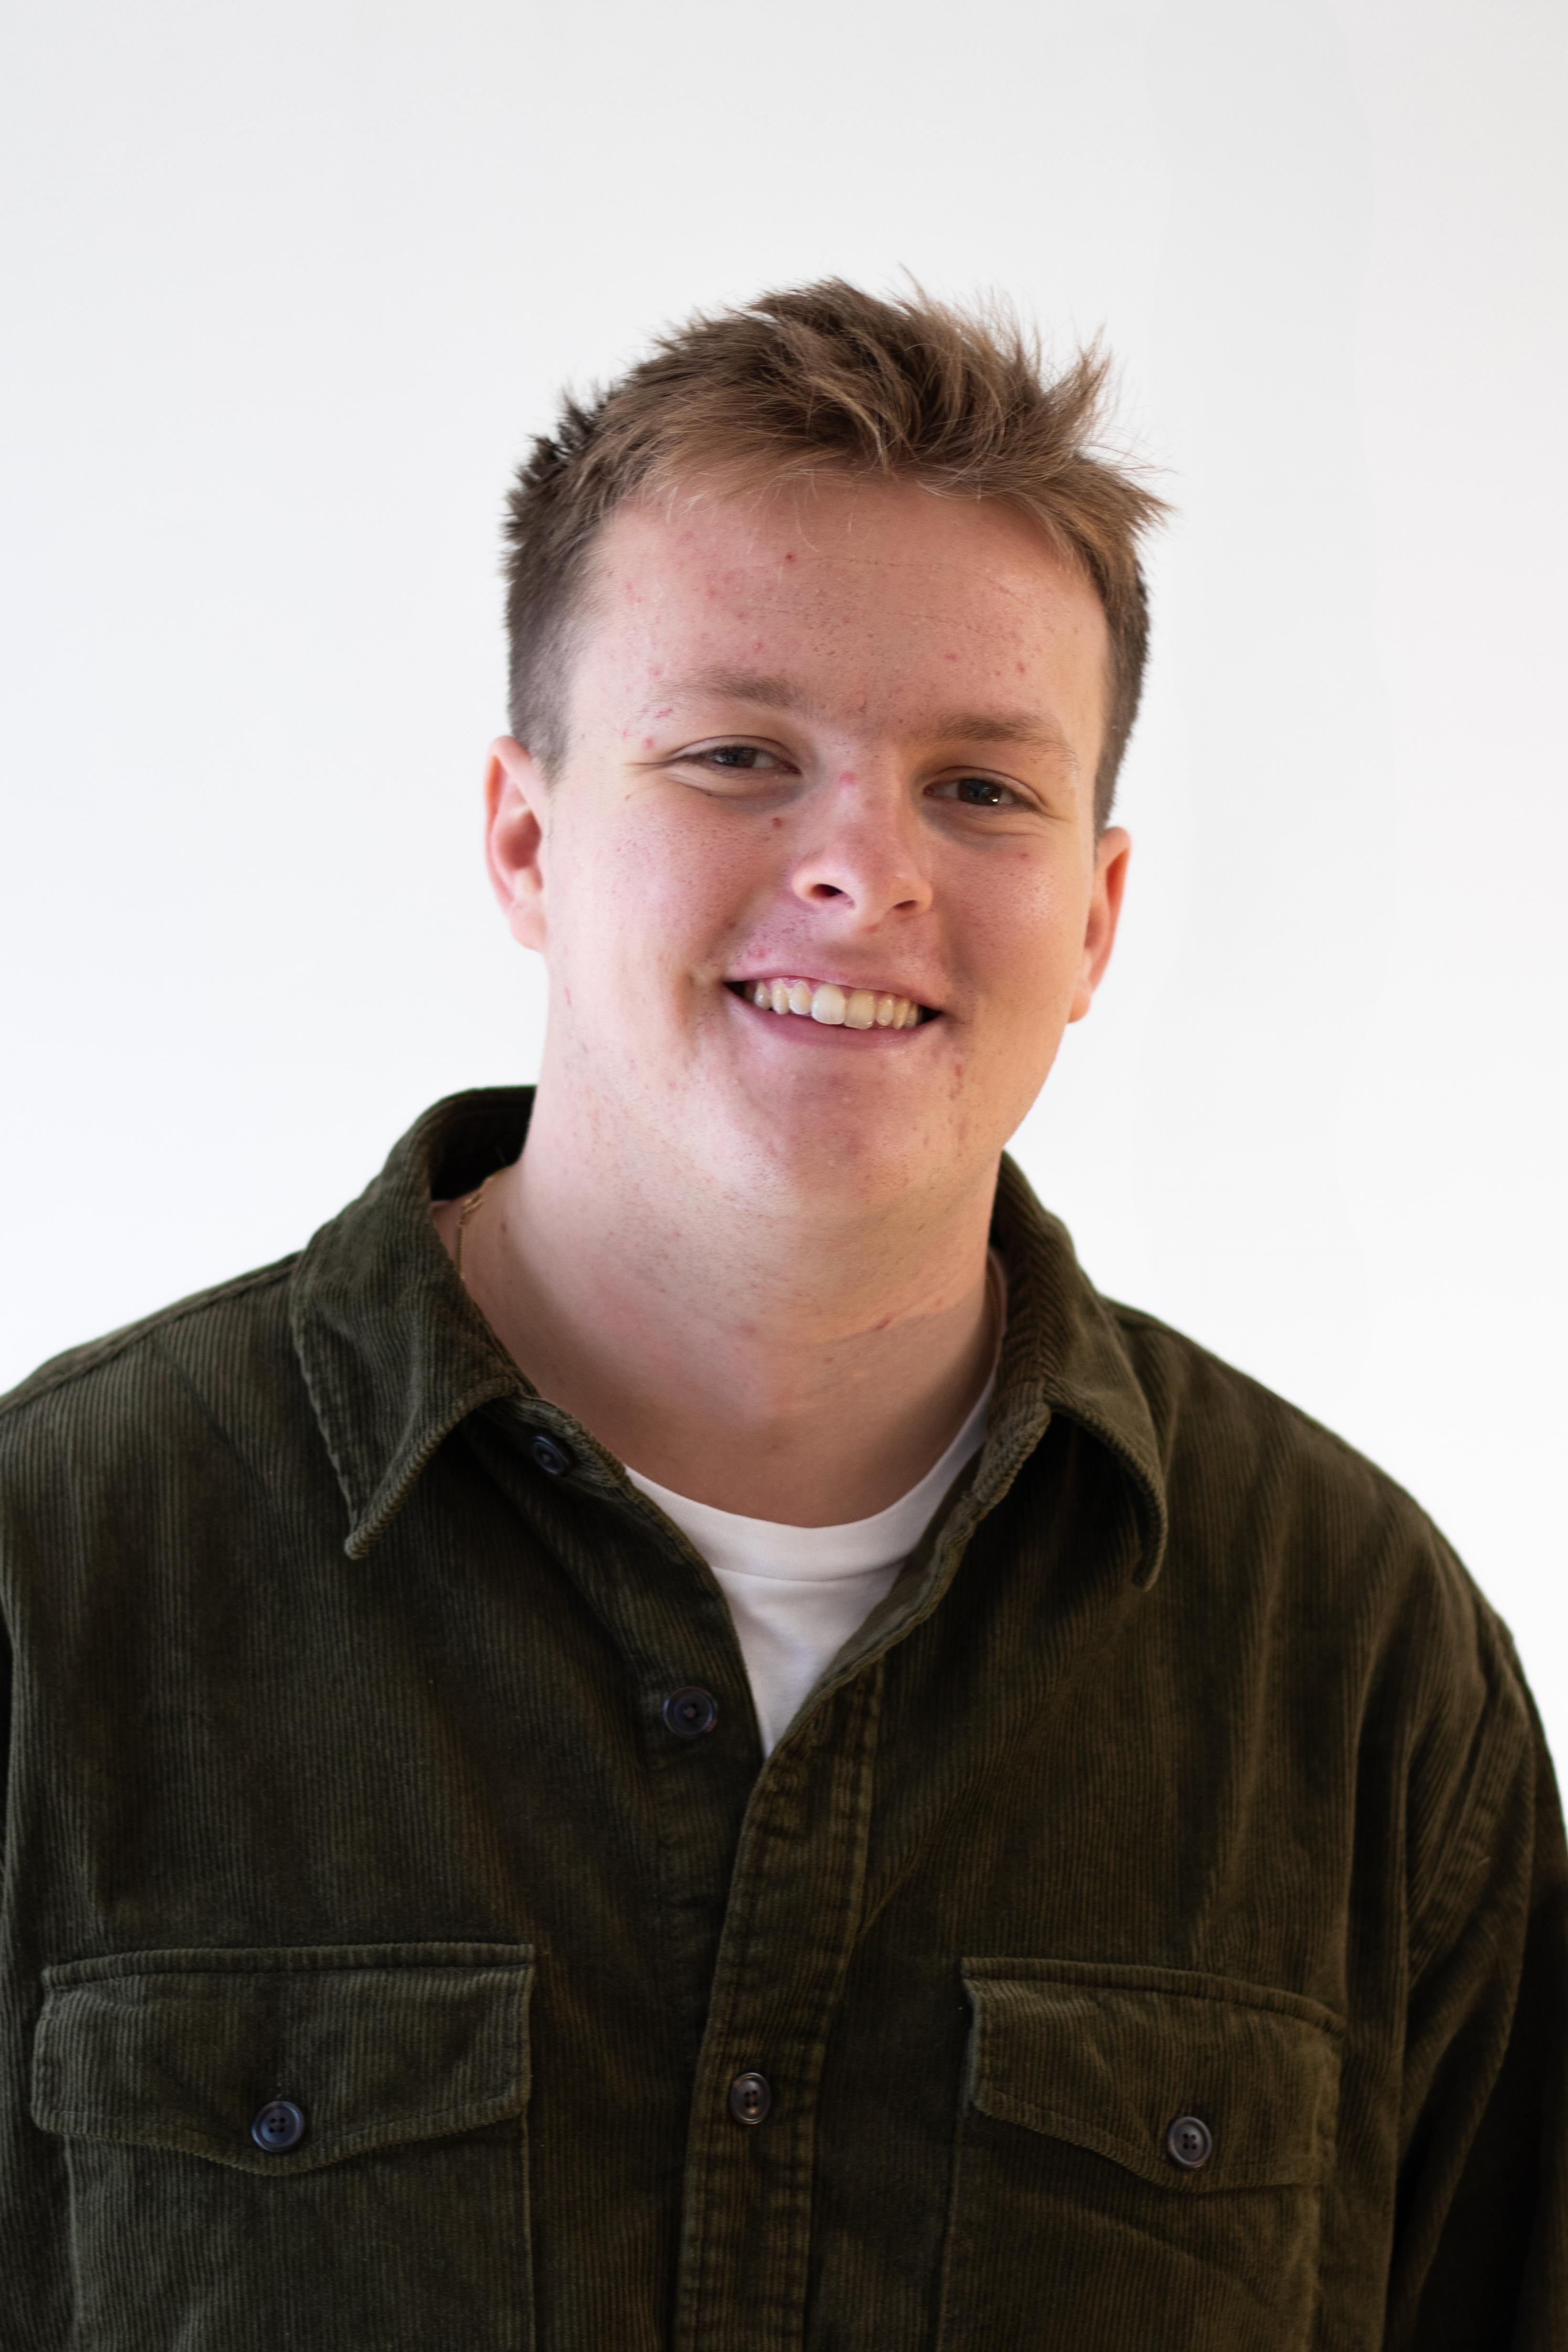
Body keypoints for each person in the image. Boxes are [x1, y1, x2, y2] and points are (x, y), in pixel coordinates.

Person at [0, 281, 1562, 2352]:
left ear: (1091, 917)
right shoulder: (57, 1574)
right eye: (738, 752)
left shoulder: (1356, 1661)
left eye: (981, 790)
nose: (861, 869)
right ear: (526, 836)